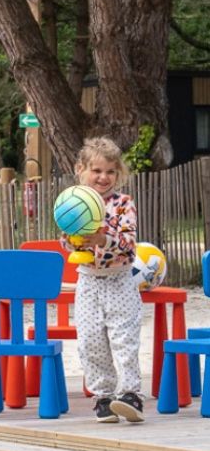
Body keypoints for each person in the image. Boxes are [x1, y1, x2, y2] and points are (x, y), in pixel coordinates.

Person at [59, 136, 142, 424]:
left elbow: (128, 244)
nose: (103, 177)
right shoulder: (74, 202)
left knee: (124, 338)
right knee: (90, 340)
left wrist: (103, 239)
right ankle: (103, 397)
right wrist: (72, 240)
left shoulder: (123, 204)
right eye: (96, 170)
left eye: (110, 171)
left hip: (119, 279)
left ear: (118, 174)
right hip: (88, 281)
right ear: (80, 169)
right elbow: (65, 241)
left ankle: (130, 395)